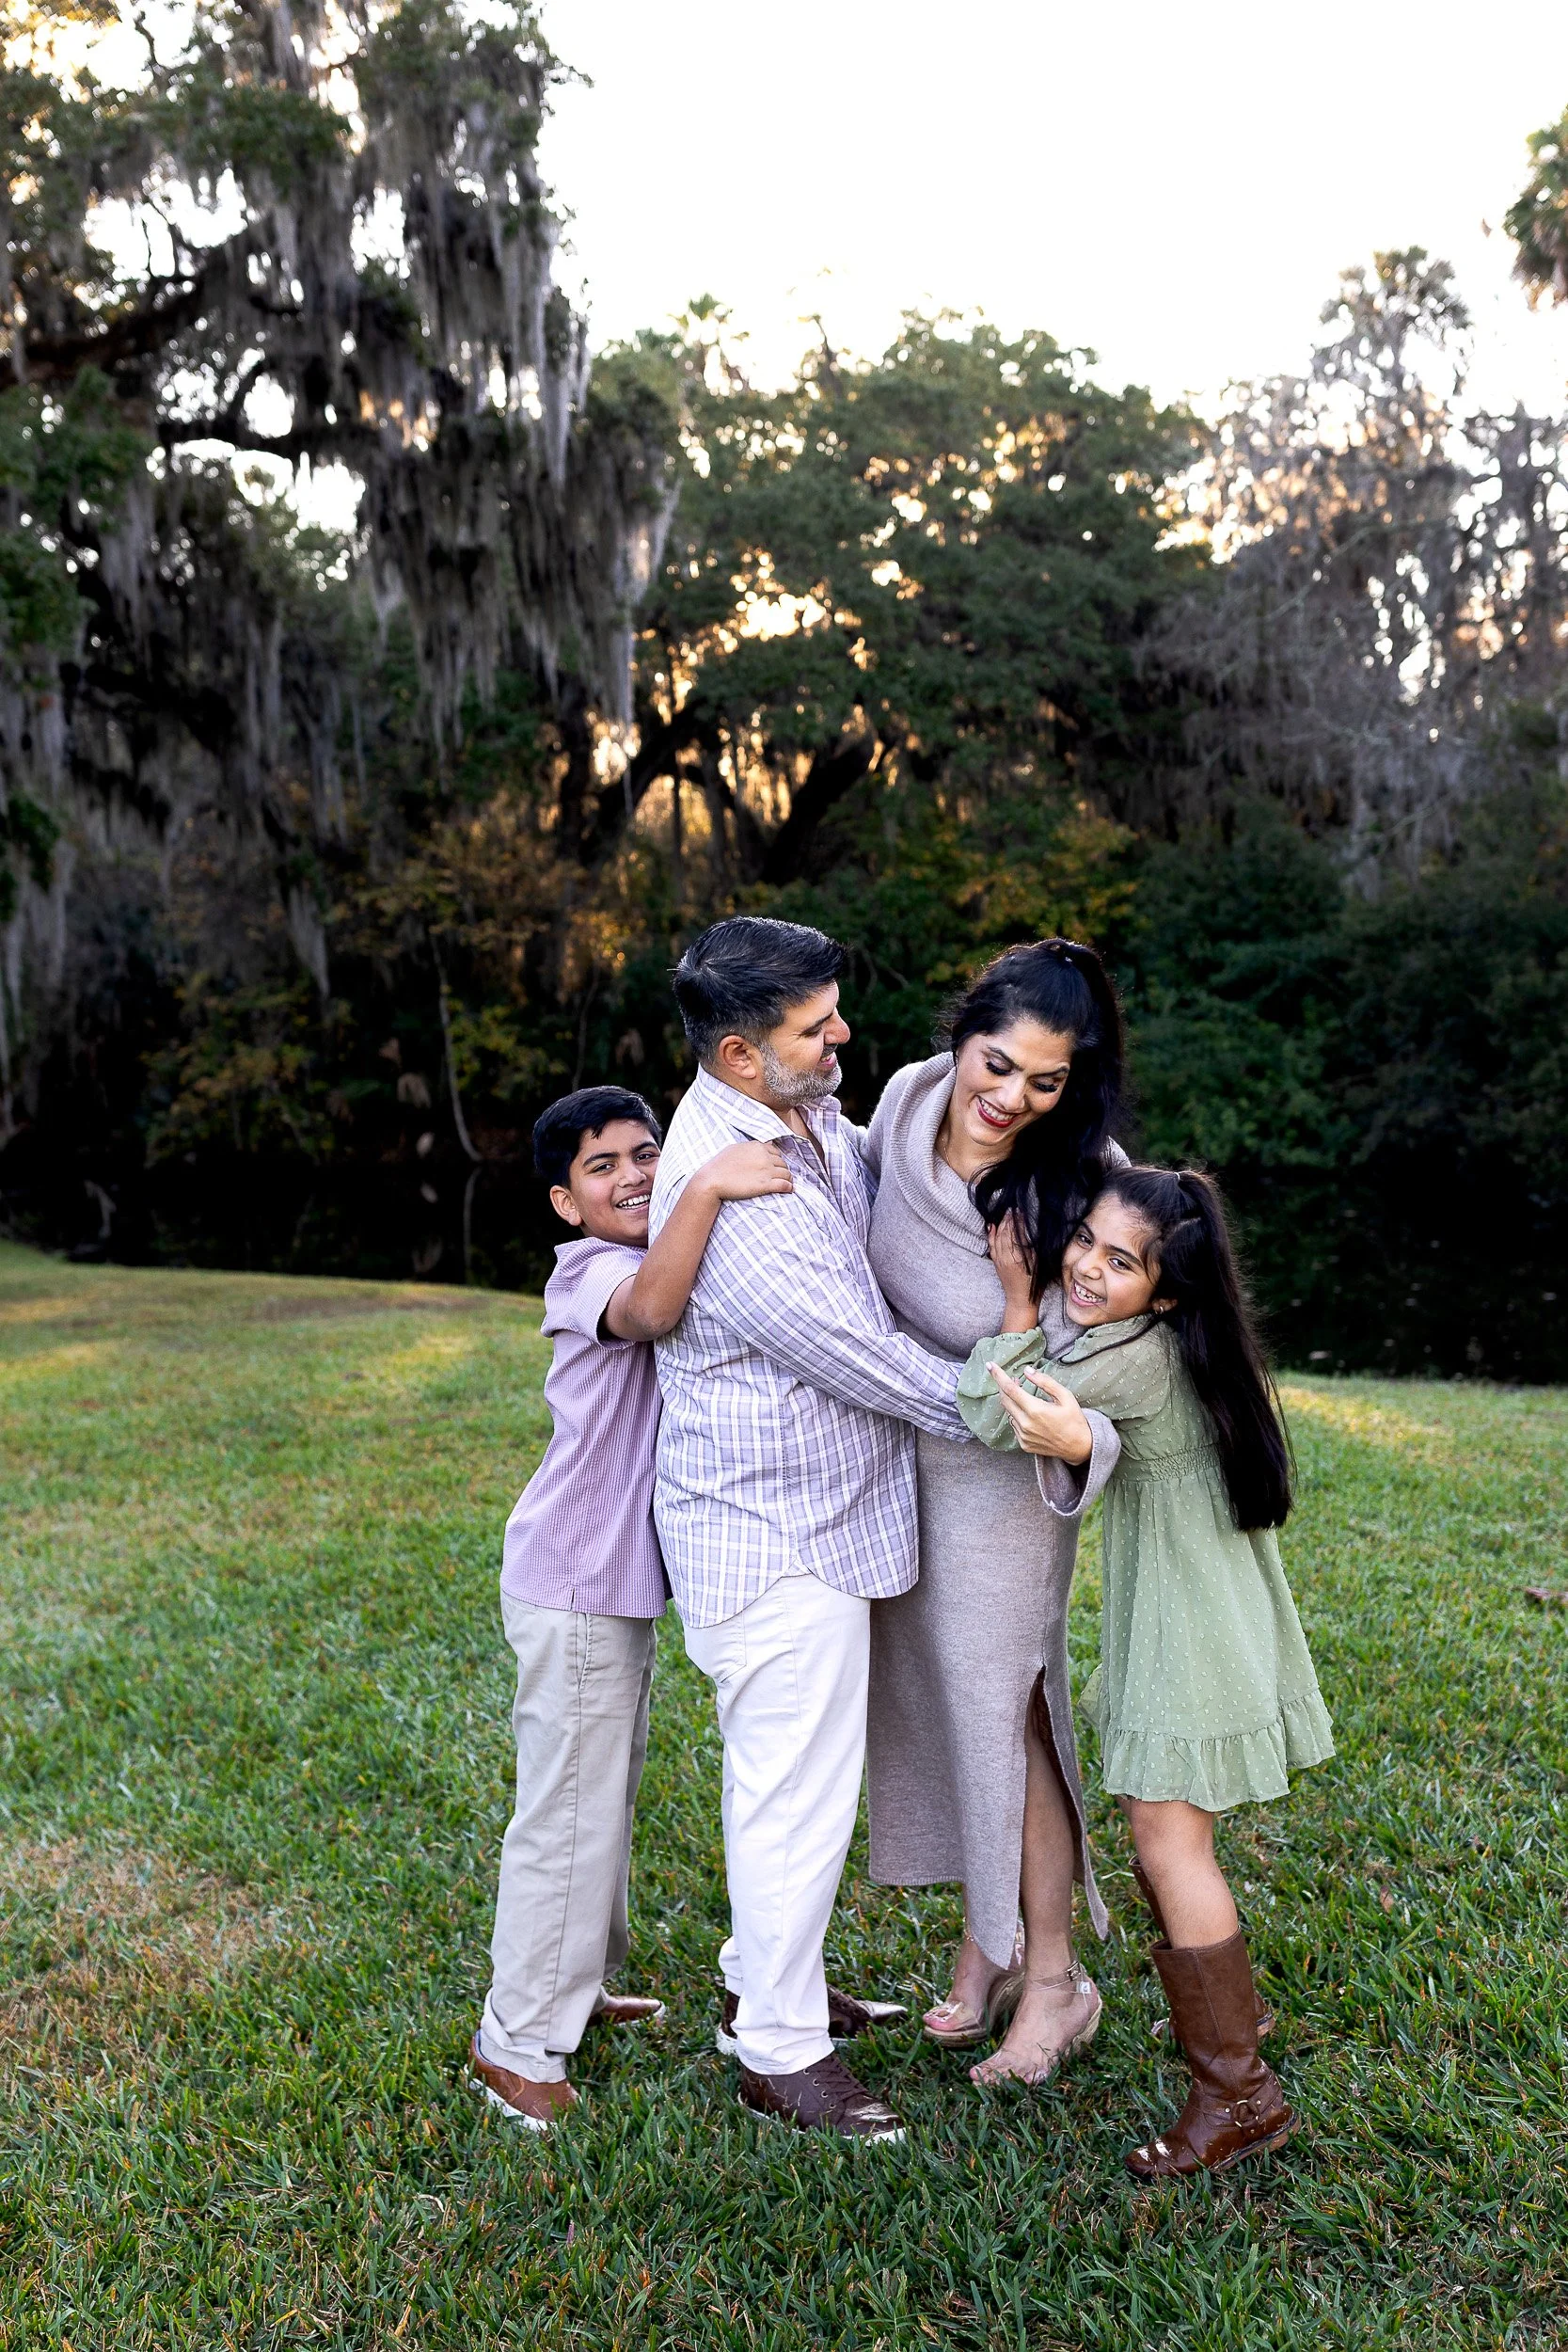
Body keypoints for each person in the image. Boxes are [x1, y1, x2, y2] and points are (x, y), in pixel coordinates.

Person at [650, 915, 972, 2145]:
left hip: (811, 1521)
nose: (840, 1034)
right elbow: (857, 1358)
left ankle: (758, 1982)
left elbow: (872, 1167)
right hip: (770, 1541)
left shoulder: (791, 1118)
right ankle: (776, 2052)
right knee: (790, 1793)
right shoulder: (728, 1192)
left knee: (790, 1786)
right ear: (738, 1054)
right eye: (812, 1026)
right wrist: (1009, 1407)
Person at [959, 1165, 1334, 2178]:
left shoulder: (1133, 1356)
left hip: (1184, 1629)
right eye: (1083, 1237)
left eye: (1117, 1261)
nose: (1082, 1264)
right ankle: (1229, 2024)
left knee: (1170, 1845)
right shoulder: (1182, 1345)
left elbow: (986, 1409)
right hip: (1203, 1615)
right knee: (1166, 1834)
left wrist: (1009, 1301)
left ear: (1162, 1291)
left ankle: (1238, 2091)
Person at [468, 1084, 791, 2132]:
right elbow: (652, 1311)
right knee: (564, 1811)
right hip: (572, 1581)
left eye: (646, 1152)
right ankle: (514, 2042)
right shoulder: (593, 1270)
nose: (634, 1174)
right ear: (565, 1202)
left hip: (610, 1587)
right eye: (601, 1166)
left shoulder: (643, 1249)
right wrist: (708, 1182)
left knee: (597, 1795)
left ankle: (579, 1981)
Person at [861, 937, 1127, 2088]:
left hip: (1006, 1478)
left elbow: (1093, 1355)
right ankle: (985, 1947)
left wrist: (1018, 1298)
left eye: (1046, 1080)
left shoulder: (1080, 1180)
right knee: (940, 1704)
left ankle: (1055, 1982)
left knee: (1005, 1713)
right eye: (998, 1062)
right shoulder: (899, 1106)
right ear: (957, 1035)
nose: (1013, 1097)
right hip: (904, 1459)